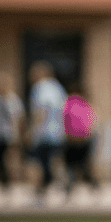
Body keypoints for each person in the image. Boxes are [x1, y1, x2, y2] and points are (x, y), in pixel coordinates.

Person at [27, 61, 68, 204]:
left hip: (44, 133)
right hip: (57, 133)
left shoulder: (40, 88)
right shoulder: (58, 88)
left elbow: (41, 110)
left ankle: (39, 193)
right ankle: (59, 186)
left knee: (35, 163)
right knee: (52, 162)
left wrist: (33, 130)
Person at [62, 84, 100, 199]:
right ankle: (94, 187)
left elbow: (64, 122)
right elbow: (92, 123)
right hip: (85, 139)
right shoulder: (86, 105)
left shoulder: (68, 104)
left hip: (72, 140)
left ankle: (70, 189)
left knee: (70, 167)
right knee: (84, 166)